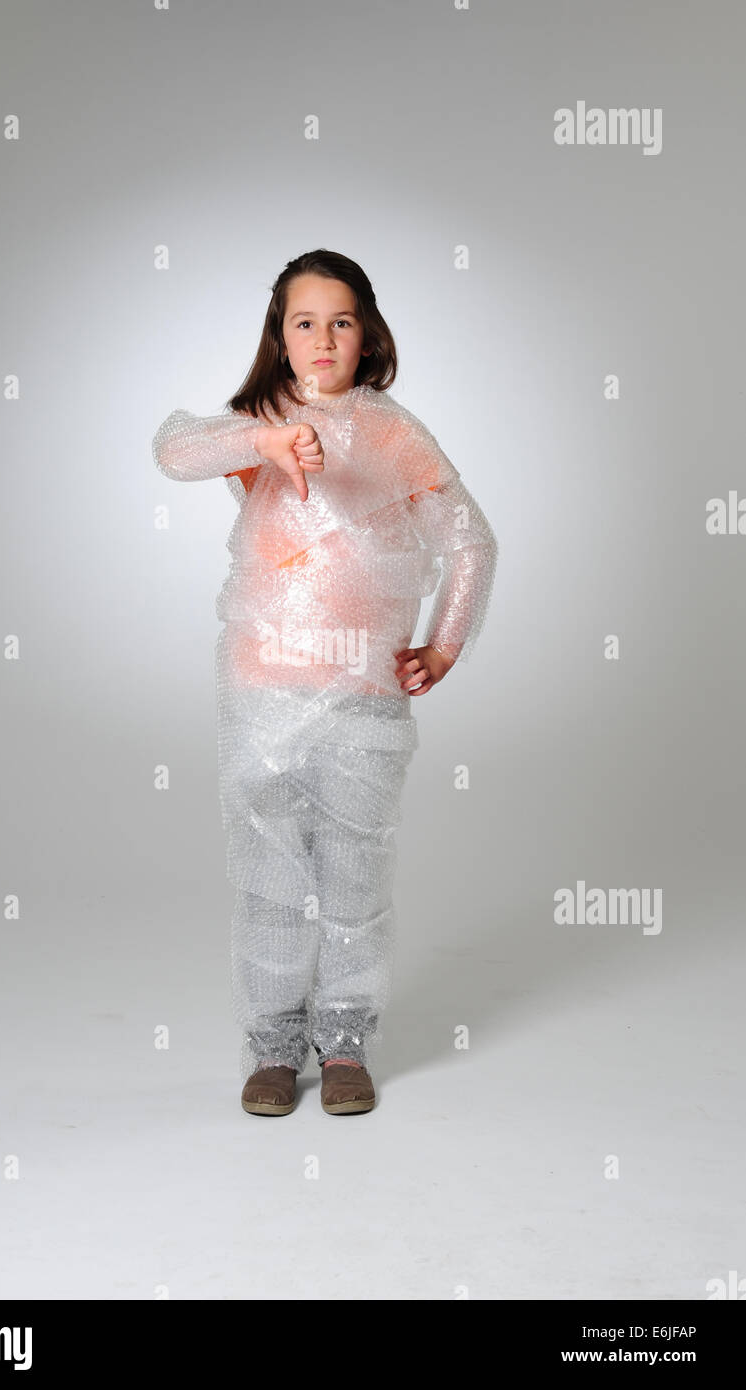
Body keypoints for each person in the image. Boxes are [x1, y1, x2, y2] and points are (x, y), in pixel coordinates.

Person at [152, 249, 498, 1116]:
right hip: (261, 686)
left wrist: (444, 644)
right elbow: (173, 450)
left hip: (363, 693)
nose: (322, 338)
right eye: (303, 321)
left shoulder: (391, 432)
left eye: (341, 320)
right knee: (268, 871)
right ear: (279, 334)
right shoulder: (257, 423)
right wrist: (261, 439)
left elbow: (469, 540)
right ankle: (271, 1047)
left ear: (366, 332)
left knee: (352, 866)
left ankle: (342, 1044)